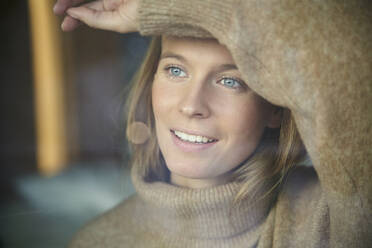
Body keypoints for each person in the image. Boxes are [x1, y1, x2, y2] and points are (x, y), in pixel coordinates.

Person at [53, 0, 372, 247]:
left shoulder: (328, 220)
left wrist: (173, 7)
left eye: (230, 81)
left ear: (274, 107)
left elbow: (357, 52)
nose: (192, 105)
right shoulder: (97, 241)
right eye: (176, 71)